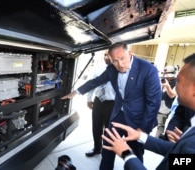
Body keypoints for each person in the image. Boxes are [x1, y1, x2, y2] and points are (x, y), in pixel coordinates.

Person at [61, 42, 161, 170]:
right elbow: (96, 81)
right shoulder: (111, 69)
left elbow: (154, 102)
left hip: (138, 120)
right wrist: (76, 92)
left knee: (134, 154)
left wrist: (142, 129)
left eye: (122, 59)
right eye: (115, 61)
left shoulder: (147, 69)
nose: (120, 64)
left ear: (129, 53)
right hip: (118, 115)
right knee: (107, 148)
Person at [101, 53, 195, 170]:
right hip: (122, 121)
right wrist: (141, 136)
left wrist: (126, 154)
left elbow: (153, 103)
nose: (176, 85)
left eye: (179, 81)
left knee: (136, 154)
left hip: (138, 123)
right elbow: (182, 158)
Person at [85, 50, 116, 157]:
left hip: (112, 104)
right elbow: (92, 83)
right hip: (98, 101)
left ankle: (107, 153)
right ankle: (97, 148)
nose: (106, 57)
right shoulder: (98, 68)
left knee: (109, 130)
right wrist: (89, 99)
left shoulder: (120, 70)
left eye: (109, 55)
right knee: (96, 127)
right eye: (105, 55)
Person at [155, 65, 178, 138]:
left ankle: (156, 142)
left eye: (167, 74)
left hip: (165, 109)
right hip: (157, 105)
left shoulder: (177, 82)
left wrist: (167, 86)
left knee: (160, 126)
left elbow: (172, 95)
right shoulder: (164, 79)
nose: (165, 76)